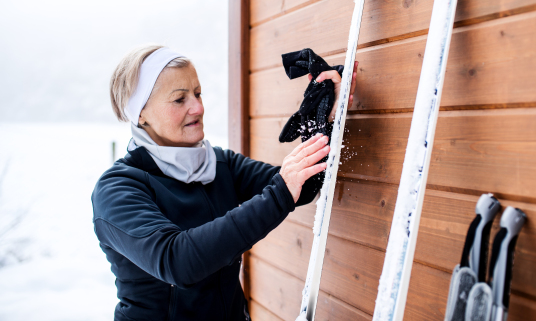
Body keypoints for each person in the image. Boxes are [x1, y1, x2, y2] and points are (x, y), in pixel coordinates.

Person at [92, 45, 358, 321]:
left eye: (197, 93)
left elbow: (301, 188)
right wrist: (280, 192)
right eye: (179, 99)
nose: (198, 107)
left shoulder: (218, 163)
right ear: (141, 114)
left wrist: (322, 118)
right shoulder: (118, 189)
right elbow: (178, 262)